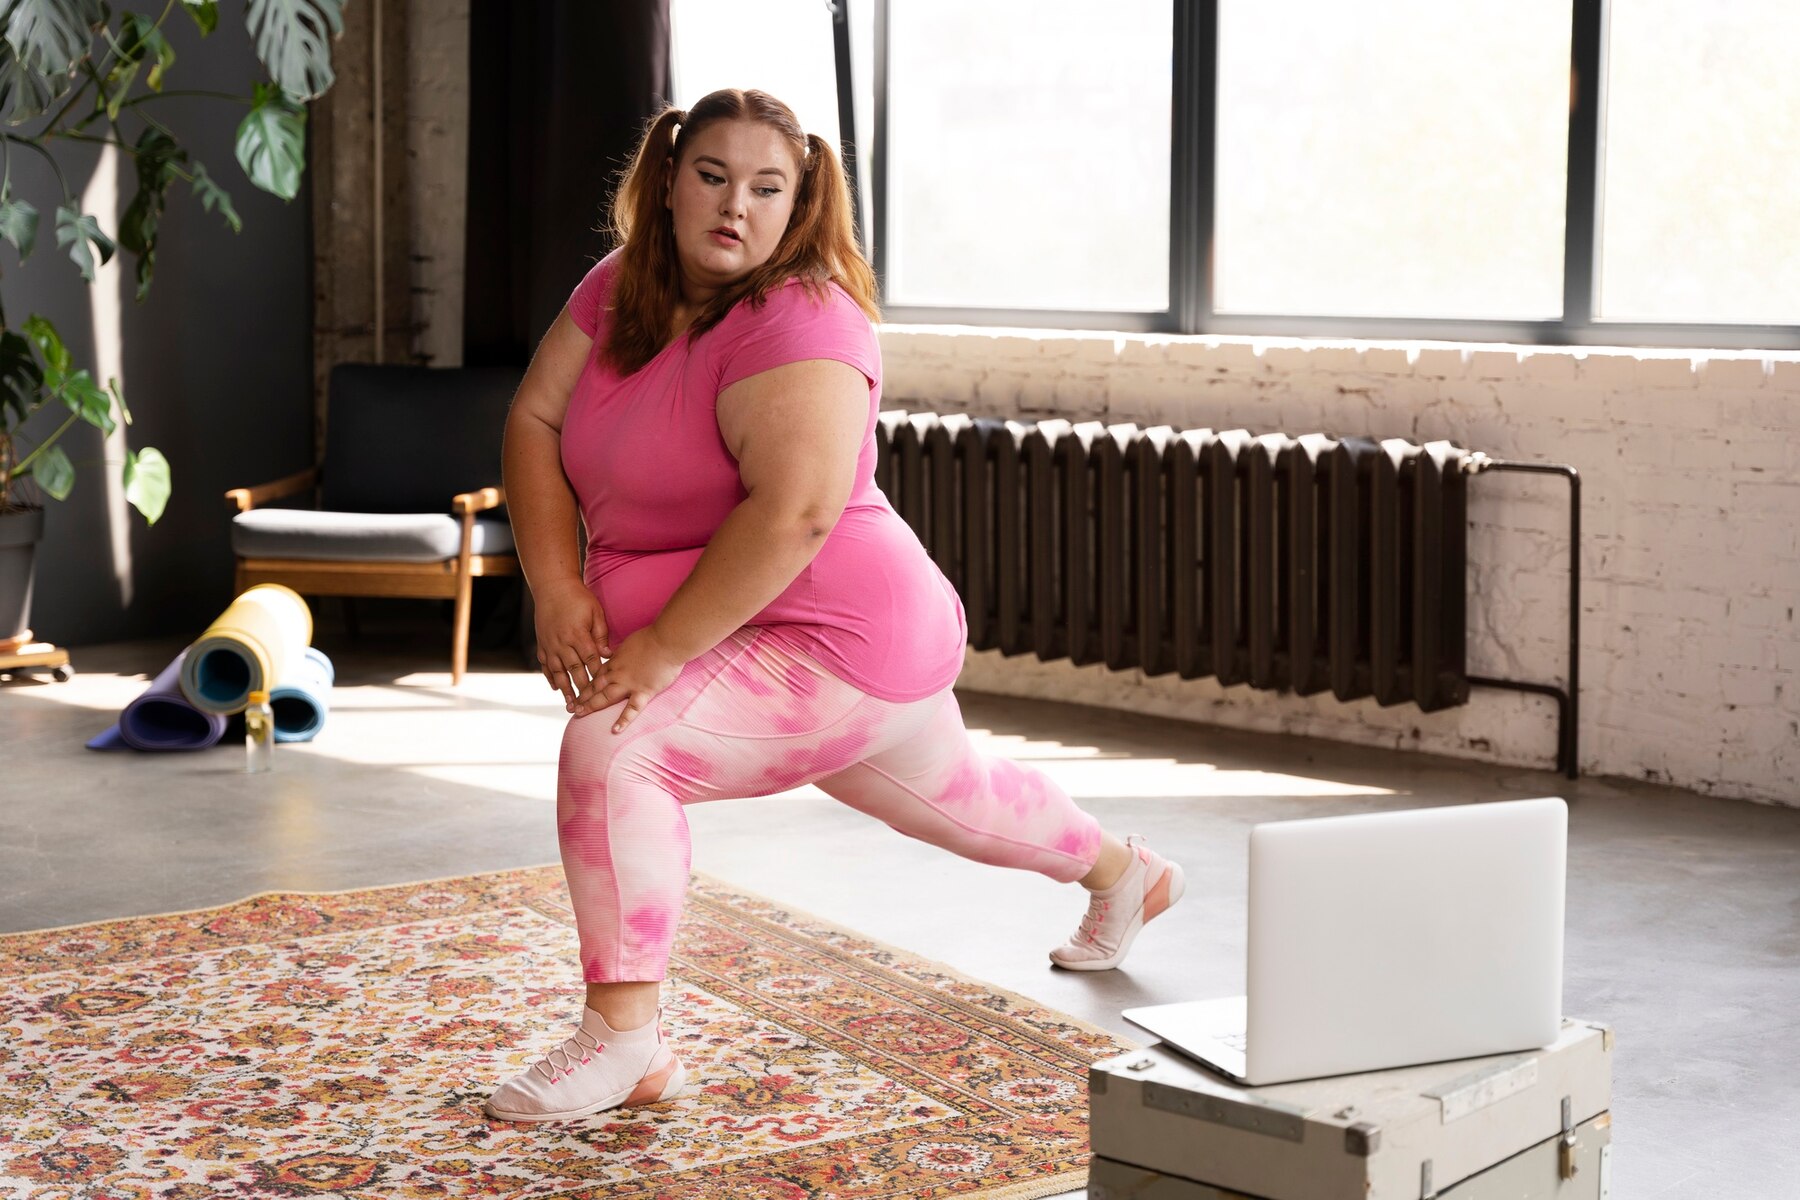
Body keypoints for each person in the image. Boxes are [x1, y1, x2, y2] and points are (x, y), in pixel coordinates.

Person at [484, 87, 1185, 1124]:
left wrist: (662, 652)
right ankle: (1126, 874)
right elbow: (536, 420)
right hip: (779, 641)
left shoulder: (804, 317)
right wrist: (554, 583)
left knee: (618, 751)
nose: (737, 207)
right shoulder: (618, 287)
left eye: (768, 188)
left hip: (836, 638)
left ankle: (626, 1041)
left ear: (800, 202)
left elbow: (798, 515)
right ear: (668, 179)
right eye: (713, 176)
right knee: (964, 800)